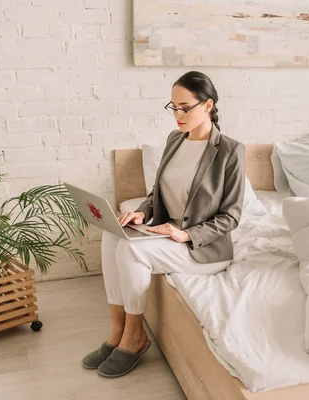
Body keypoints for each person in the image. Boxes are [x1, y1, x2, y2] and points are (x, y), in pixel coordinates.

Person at [82, 71, 246, 378]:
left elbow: (231, 216)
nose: (178, 115)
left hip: (204, 248)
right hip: (165, 231)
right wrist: (142, 213)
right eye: (173, 107)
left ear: (208, 105)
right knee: (112, 236)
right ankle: (116, 332)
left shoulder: (230, 151)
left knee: (132, 252)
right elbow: (158, 191)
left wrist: (184, 233)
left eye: (185, 107)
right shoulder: (174, 140)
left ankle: (135, 337)